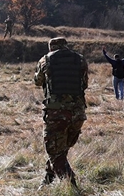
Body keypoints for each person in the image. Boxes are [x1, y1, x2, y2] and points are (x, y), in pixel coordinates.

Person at [34, 36, 89, 187]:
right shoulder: (80, 59)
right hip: (78, 114)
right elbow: (84, 84)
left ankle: (72, 188)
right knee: (61, 149)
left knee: (54, 152)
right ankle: (48, 179)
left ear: (51, 47)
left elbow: (37, 81)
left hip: (56, 114)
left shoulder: (45, 60)